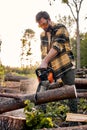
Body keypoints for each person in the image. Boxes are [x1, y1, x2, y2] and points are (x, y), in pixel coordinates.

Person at [35, 11, 78, 126]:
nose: (43, 27)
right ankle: (40, 118)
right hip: (51, 68)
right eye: (40, 25)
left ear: (49, 20)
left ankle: (74, 121)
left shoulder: (60, 28)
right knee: (42, 90)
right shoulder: (42, 35)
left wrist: (45, 61)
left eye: (44, 24)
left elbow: (57, 47)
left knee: (71, 93)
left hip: (65, 66)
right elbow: (44, 52)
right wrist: (43, 67)